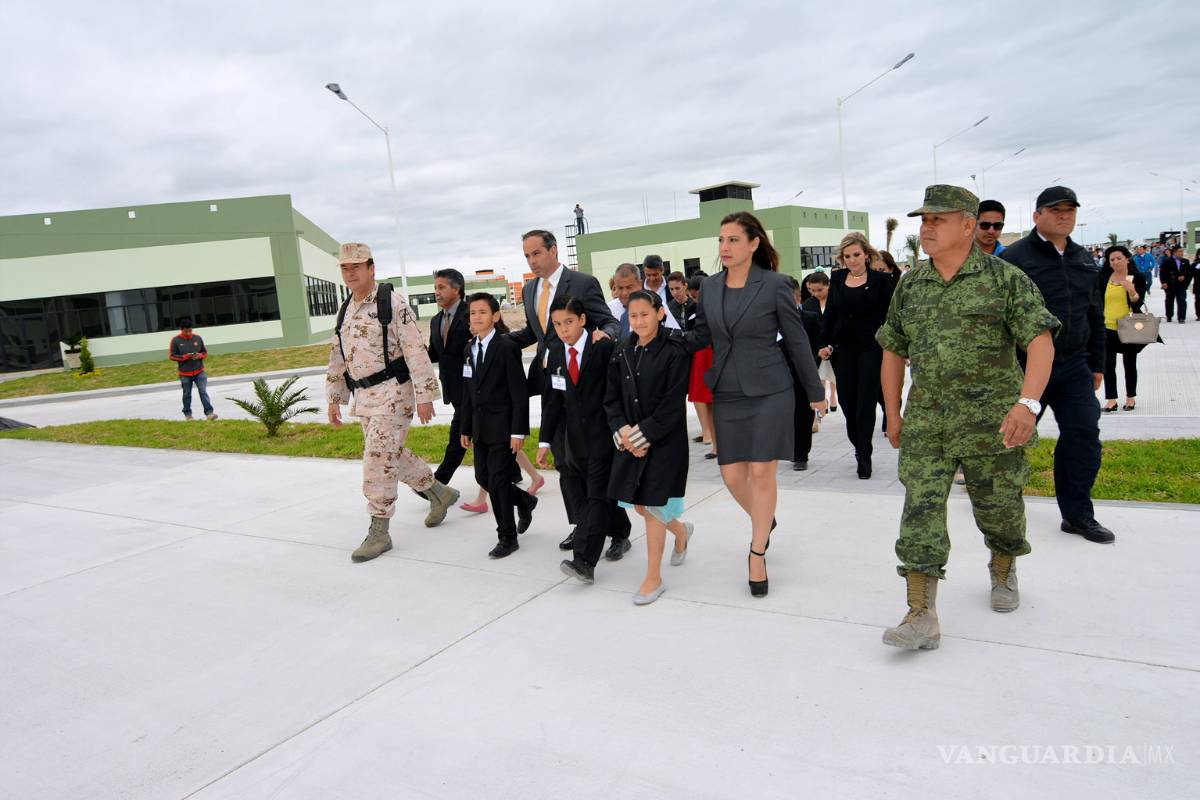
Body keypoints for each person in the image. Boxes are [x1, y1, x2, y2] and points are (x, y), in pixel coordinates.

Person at [878, 184, 1059, 651]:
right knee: (919, 513)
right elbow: (893, 350)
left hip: (993, 425)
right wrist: (893, 412)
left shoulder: (1004, 279)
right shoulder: (911, 284)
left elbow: (1040, 341)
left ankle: (1003, 564)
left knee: (999, 510)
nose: (927, 228)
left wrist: (1028, 404)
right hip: (928, 424)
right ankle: (921, 613)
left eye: (938, 219)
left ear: (966, 224)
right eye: (924, 220)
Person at [686, 212, 825, 597]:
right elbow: (701, 335)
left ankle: (757, 551)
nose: (724, 247)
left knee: (763, 473)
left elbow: (797, 341)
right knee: (732, 476)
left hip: (769, 389)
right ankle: (765, 521)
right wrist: (657, 339)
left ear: (753, 244)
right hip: (727, 392)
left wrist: (815, 392)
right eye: (721, 240)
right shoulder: (710, 288)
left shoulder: (775, 285)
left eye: (732, 240)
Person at [326, 243, 458, 563]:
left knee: (376, 459)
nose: (350, 272)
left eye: (356, 266)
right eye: (345, 267)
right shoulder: (346, 310)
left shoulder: (392, 304)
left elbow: (415, 350)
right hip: (365, 397)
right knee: (391, 456)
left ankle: (379, 530)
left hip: (394, 392)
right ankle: (439, 493)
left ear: (372, 268)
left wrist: (426, 395)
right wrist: (334, 397)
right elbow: (338, 355)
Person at [1001, 186, 1113, 544]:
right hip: (1025, 367)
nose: (1064, 216)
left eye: (1070, 210)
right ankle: (1000, 509)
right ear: (1037, 216)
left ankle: (1077, 514)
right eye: (1055, 210)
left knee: (1084, 435)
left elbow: (1094, 312)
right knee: (1009, 440)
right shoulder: (1015, 258)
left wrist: (1098, 364)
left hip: (1073, 365)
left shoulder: (1084, 259)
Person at [509, 230, 620, 551]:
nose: (532, 261)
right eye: (527, 256)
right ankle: (582, 526)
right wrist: (501, 341)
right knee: (566, 464)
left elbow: (607, 321)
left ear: (553, 250)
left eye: (536, 254)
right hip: (550, 384)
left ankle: (616, 530)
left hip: (583, 385)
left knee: (593, 467)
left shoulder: (582, 283)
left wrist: (606, 336)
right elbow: (536, 332)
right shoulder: (530, 289)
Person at [606, 290, 694, 605]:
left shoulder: (675, 349)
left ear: (659, 313)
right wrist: (623, 433)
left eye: (645, 314)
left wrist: (641, 437)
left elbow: (672, 406)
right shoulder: (622, 349)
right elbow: (611, 398)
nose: (639, 321)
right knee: (643, 506)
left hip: (665, 441)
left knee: (651, 506)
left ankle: (653, 577)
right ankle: (681, 532)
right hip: (630, 440)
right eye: (633, 316)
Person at [538, 296, 631, 583]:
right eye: (557, 324)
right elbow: (552, 401)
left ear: (582, 320)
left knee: (596, 495)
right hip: (573, 439)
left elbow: (618, 390)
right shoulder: (555, 353)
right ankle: (621, 533)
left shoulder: (601, 347)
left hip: (603, 435)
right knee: (591, 494)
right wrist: (544, 442)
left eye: (568, 322)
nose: (563, 329)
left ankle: (585, 560)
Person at [460, 293, 537, 559]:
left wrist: (518, 431)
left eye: (483, 312)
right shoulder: (469, 350)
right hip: (481, 429)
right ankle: (525, 500)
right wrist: (465, 428)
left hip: (504, 430)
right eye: (473, 313)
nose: (477, 317)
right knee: (484, 477)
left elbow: (518, 393)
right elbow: (469, 394)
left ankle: (507, 537)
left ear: (495, 316)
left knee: (498, 480)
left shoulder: (506, 347)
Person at [816, 231, 895, 479]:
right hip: (843, 349)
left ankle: (864, 454)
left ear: (866, 254)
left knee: (865, 402)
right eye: (847, 256)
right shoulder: (837, 278)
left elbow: (891, 317)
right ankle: (859, 445)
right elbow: (830, 314)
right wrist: (824, 342)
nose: (852, 260)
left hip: (872, 348)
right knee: (849, 404)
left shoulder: (882, 281)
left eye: (856, 255)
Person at [1098, 246, 1153, 412]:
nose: (1115, 262)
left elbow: (1138, 303)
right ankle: (1111, 400)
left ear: (1127, 259)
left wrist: (1132, 291)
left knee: (1129, 363)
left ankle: (1130, 398)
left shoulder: (1136, 277)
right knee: (1108, 365)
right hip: (1107, 327)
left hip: (1128, 326)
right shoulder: (1104, 277)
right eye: (1112, 260)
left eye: (1119, 258)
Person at [783, 275, 821, 470]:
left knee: (802, 415)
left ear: (797, 299)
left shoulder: (810, 319)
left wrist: (811, 370)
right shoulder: (772, 322)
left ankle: (801, 455)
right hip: (778, 376)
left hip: (802, 375)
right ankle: (789, 448)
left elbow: (817, 348)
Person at [685, 273, 716, 457]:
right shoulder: (693, 309)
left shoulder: (715, 306)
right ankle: (710, 437)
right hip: (699, 354)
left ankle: (712, 438)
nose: (696, 299)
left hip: (711, 354)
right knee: (702, 397)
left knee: (712, 399)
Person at [801, 272, 837, 418]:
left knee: (834, 376)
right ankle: (821, 406)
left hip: (835, 345)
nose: (816, 293)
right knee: (818, 377)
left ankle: (833, 397)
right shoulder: (809, 303)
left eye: (820, 290)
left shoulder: (837, 300)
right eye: (812, 290)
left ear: (828, 285)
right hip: (817, 347)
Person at [609, 263, 681, 334]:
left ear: (640, 284)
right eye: (620, 288)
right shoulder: (609, 309)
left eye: (629, 287)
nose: (624, 293)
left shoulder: (656, 304)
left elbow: (676, 334)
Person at [169, 318, 217, 421]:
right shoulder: (175, 340)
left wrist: (200, 356)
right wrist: (184, 357)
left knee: (203, 391)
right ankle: (188, 414)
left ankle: (209, 413)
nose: (188, 333)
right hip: (185, 373)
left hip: (200, 372)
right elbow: (172, 356)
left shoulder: (197, 338)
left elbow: (205, 352)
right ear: (181, 330)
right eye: (186, 331)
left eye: (190, 330)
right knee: (187, 394)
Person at [1159, 245, 1193, 323]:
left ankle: (1181, 317)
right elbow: (1162, 273)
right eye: (1180, 251)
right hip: (1170, 284)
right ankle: (1169, 316)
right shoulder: (1167, 261)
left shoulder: (1186, 261)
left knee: (1182, 300)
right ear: (1174, 252)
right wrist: (1163, 282)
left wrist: (1184, 278)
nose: (1182, 253)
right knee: (1169, 301)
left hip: (1181, 285)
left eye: (1182, 251)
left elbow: (1189, 273)